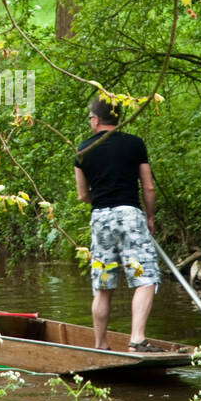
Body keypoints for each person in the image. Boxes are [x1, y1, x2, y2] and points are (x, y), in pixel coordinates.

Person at [74, 97, 161, 352]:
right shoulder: (134, 144)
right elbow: (148, 186)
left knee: (102, 286)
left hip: (100, 217)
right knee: (146, 279)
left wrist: (101, 202)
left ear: (96, 119)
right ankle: (136, 340)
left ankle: (101, 345)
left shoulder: (83, 150)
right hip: (130, 214)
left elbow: (82, 195)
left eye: (90, 117)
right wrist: (150, 216)